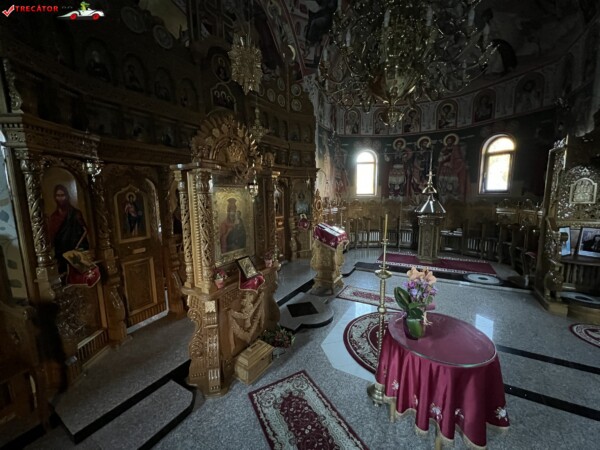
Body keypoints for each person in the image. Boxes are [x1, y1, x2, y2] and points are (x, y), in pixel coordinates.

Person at [47, 184, 89, 275]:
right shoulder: (54, 217)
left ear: (67, 196)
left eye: (62, 195)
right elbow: (52, 236)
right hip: (60, 254)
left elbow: (85, 230)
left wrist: (77, 246)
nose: (60, 198)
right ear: (55, 197)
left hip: (74, 253)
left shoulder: (75, 213)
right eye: (58, 196)